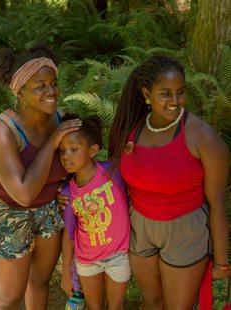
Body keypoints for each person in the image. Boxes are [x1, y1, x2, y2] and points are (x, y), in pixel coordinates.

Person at [108, 55, 230, 309]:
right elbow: (113, 177)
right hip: (140, 228)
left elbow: (217, 203)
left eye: (180, 92)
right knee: (152, 302)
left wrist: (221, 260)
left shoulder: (203, 138)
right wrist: (70, 191)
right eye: (165, 93)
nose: (175, 101)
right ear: (146, 93)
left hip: (185, 231)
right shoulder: (132, 128)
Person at [0, 44, 82, 310]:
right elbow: (24, 194)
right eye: (40, 86)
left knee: (39, 283)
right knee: (9, 297)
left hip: (48, 211)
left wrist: (64, 190)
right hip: (11, 213)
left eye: (54, 83)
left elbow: (75, 168)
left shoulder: (61, 119)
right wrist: (52, 141)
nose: (51, 92)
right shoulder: (3, 130)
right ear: (20, 92)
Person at [59, 114, 131, 310]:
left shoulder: (114, 172)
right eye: (62, 150)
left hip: (118, 256)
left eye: (74, 149)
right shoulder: (67, 192)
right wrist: (66, 275)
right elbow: (69, 235)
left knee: (116, 307)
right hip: (87, 261)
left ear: (93, 150)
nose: (66, 155)